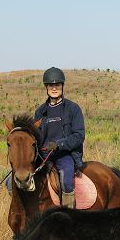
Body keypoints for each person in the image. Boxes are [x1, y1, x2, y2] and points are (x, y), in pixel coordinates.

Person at [33, 67, 85, 209]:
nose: (54, 88)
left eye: (57, 85)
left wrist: (59, 144)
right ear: (46, 87)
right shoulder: (40, 112)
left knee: (67, 182)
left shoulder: (73, 109)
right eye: (51, 85)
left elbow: (79, 136)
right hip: (43, 157)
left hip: (64, 155)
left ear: (62, 86)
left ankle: (68, 216)